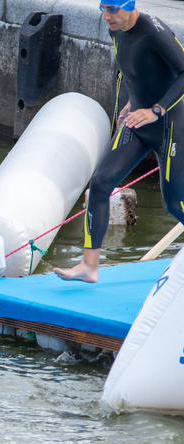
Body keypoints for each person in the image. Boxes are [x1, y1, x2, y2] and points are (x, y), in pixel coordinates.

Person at [55, 0, 184, 283]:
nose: (106, 17)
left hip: (170, 126)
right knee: (101, 183)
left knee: (175, 203)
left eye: (112, 9)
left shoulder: (153, 32)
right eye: (103, 8)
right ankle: (89, 267)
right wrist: (129, 101)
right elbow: (129, 68)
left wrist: (156, 110)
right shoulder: (117, 29)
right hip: (137, 121)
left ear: (130, 6)